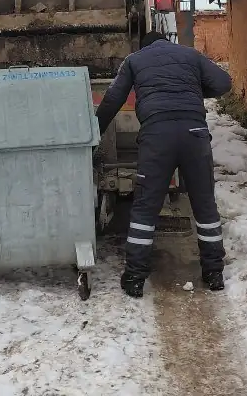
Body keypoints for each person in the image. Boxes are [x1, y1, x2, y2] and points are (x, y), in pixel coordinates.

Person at [96, 31, 232, 298]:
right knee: (204, 204)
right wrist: (194, 89)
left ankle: (134, 278)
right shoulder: (191, 55)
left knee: (146, 207)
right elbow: (224, 83)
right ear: (168, 43)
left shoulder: (135, 60)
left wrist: (94, 131)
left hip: (157, 137)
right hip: (195, 134)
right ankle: (214, 273)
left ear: (144, 46)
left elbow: (113, 98)